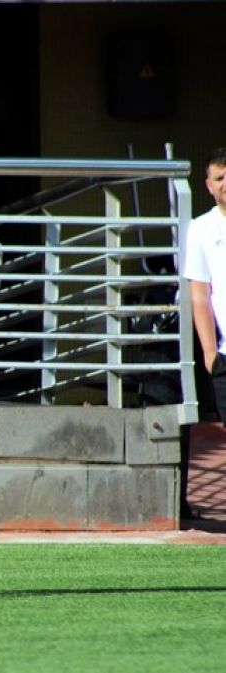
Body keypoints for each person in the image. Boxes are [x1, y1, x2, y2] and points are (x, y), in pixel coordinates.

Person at [182, 146, 226, 518]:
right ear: (209, 185)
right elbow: (200, 294)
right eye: (220, 178)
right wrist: (210, 354)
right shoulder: (201, 228)